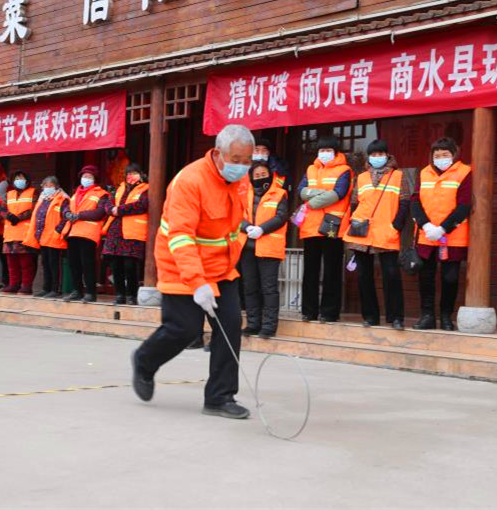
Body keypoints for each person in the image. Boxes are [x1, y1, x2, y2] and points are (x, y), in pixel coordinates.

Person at [131, 124, 253, 420]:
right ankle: (145, 361)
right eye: (236, 159)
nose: (242, 166)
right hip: (180, 265)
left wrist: (241, 239)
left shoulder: (241, 180)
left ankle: (220, 397)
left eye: (247, 160)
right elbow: (181, 236)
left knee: (230, 325)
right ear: (218, 154)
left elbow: (236, 222)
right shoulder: (189, 181)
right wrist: (197, 283)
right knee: (184, 330)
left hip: (221, 268)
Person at [343, 140, 408, 330]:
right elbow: (354, 203)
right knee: (364, 276)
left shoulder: (398, 175)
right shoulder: (361, 177)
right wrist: (354, 223)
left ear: (387, 156)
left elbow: (405, 203)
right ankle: (370, 316)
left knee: (391, 275)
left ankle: (396, 317)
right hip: (362, 232)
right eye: (373, 154)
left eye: (380, 154)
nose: (377, 157)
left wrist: (396, 226)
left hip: (386, 231)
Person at [411, 137, 472, 331]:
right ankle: (427, 316)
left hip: (452, 236)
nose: (440, 158)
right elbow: (415, 201)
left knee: (450, 278)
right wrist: (426, 225)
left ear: (454, 155)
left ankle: (446, 316)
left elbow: (464, 205)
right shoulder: (424, 173)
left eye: (445, 154)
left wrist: (443, 228)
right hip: (427, 235)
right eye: (437, 155)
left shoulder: (464, 172)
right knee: (425, 278)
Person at [297, 136, 353, 323]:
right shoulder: (310, 169)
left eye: (328, 150)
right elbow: (301, 191)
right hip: (310, 226)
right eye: (322, 150)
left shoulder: (344, 170)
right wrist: (322, 194)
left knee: (332, 271)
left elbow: (339, 193)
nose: (324, 153)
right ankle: (309, 311)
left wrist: (312, 200)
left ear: (336, 152)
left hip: (332, 225)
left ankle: (329, 313)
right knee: (310, 271)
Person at [240, 161, 289, 339]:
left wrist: (262, 229)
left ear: (270, 175)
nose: (260, 178)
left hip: (269, 247)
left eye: (263, 175)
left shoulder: (279, 193)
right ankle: (253, 324)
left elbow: (281, 217)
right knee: (250, 287)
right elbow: (236, 215)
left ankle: (269, 326)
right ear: (251, 177)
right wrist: (246, 227)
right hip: (247, 247)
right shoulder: (244, 194)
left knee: (269, 288)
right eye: (257, 175)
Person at [101, 163, 149, 305]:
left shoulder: (146, 189)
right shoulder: (119, 188)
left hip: (132, 233)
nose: (130, 176)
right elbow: (108, 204)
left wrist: (119, 210)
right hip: (115, 232)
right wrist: (112, 209)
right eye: (128, 173)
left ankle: (132, 296)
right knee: (115, 266)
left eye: (134, 173)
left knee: (130, 266)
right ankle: (119, 295)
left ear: (141, 174)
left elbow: (141, 205)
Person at [62, 165, 111, 303]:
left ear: (95, 179)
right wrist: (67, 213)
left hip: (88, 233)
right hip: (73, 232)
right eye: (84, 176)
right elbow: (66, 207)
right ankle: (77, 291)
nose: (86, 178)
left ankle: (90, 292)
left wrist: (79, 215)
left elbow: (100, 212)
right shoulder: (75, 193)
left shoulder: (101, 194)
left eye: (89, 176)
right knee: (74, 263)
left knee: (87, 263)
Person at [23, 176, 70, 298]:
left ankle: (55, 289)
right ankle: (46, 288)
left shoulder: (62, 199)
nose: (48, 188)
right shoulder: (42, 199)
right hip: (43, 236)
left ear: (56, 186)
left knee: (54, 264)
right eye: (45, 186)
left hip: (54, 237)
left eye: (50, 186)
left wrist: (58, 231)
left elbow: (66, 217)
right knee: (45, 263)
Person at [2, 170, 37, 294]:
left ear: (27, 180)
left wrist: (19, 217)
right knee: (11, 263)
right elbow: (2, 209)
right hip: (10, 233)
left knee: (26, 263)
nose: (19, 181)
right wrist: (9, 216)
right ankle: (13, 284)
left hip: (25, 233)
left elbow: (34, 209)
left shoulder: (33, 192)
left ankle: (26, 286)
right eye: (17, 178)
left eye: (21, 178)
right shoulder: (9, 194)